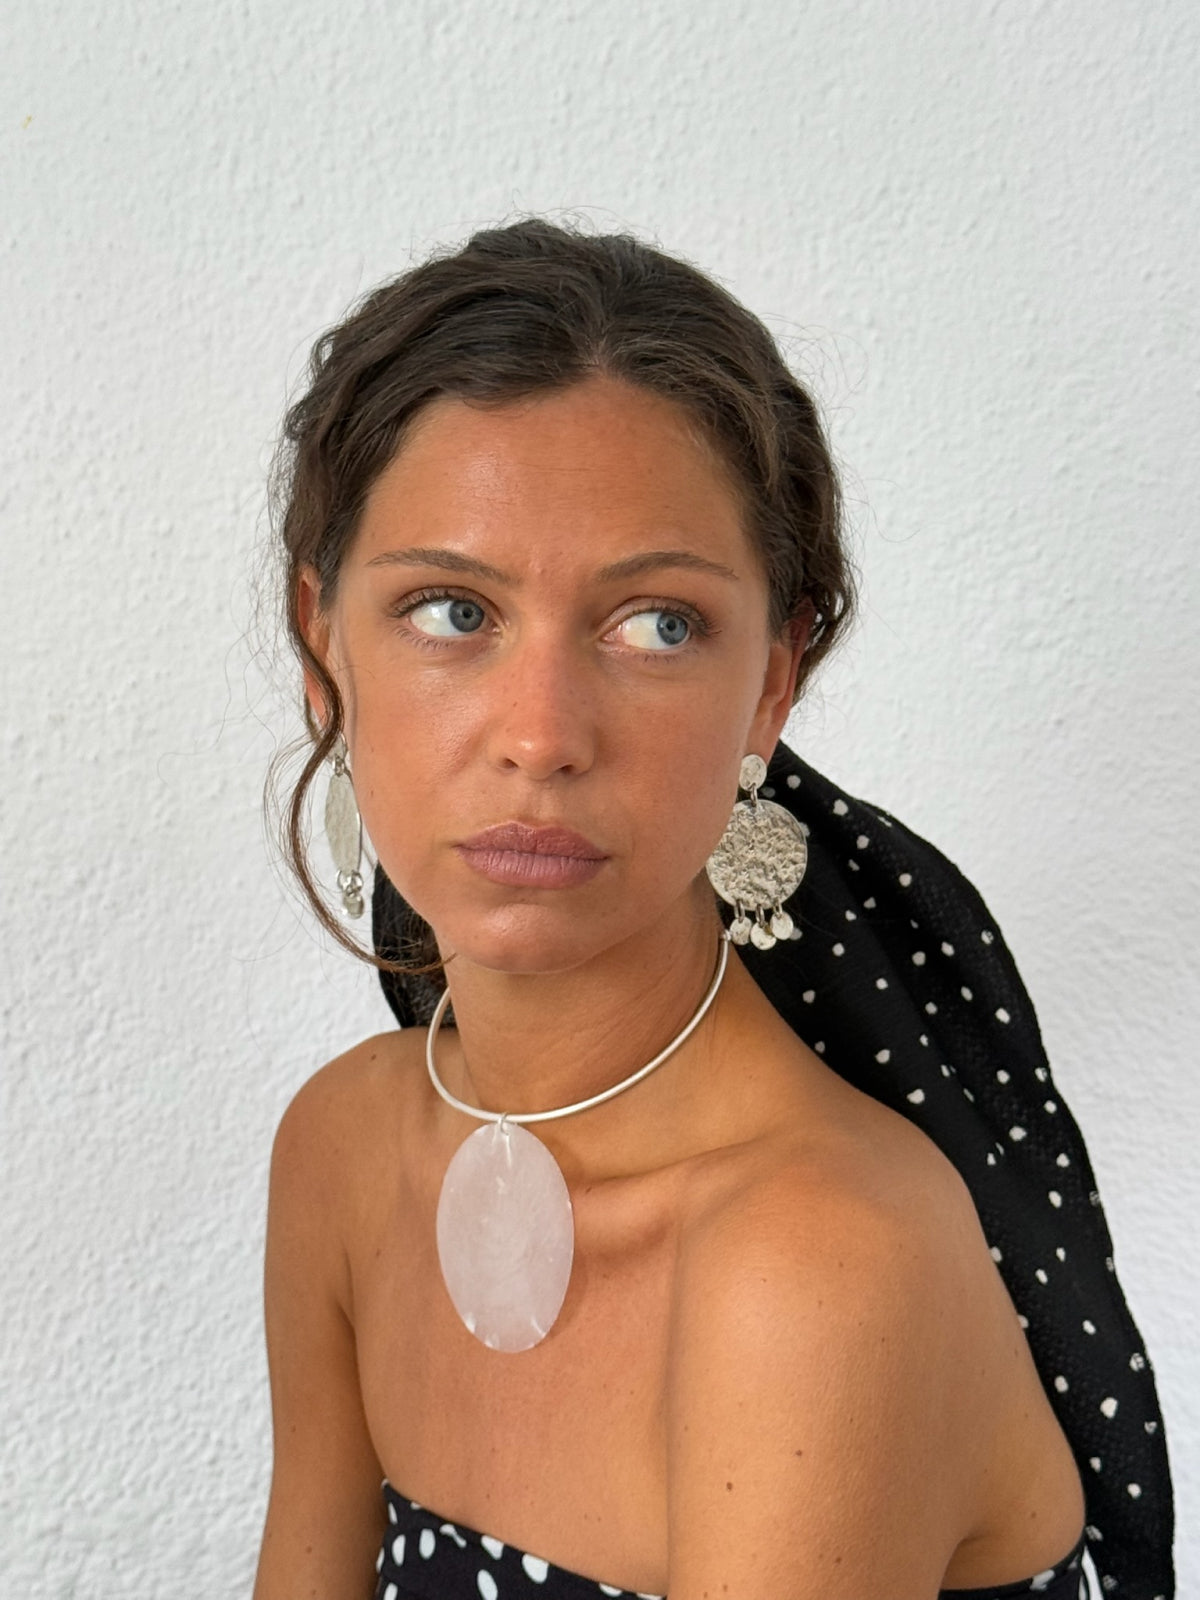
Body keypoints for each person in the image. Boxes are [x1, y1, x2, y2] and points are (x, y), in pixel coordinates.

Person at [251, 219, 1173, 1600]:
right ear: (324, 644)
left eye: (657, 625)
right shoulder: (343, 1151)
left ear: (771, 686)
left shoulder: (818, 1266)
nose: (542, 734)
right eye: (451, 611)